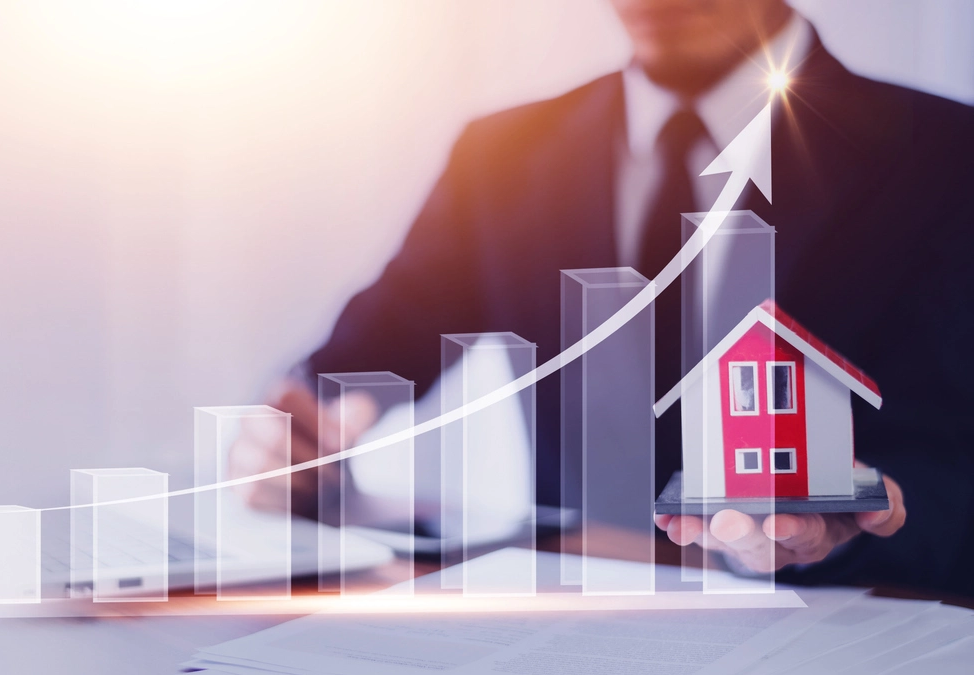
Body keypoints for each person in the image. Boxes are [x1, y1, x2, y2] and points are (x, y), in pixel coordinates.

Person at [240, 0, 974, 596]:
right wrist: (306, 435)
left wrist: (849, 519)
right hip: (572, 621)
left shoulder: (944, 152)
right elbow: (376, 346)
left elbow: (949, 454)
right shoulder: (500, 156)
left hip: (851, 628)